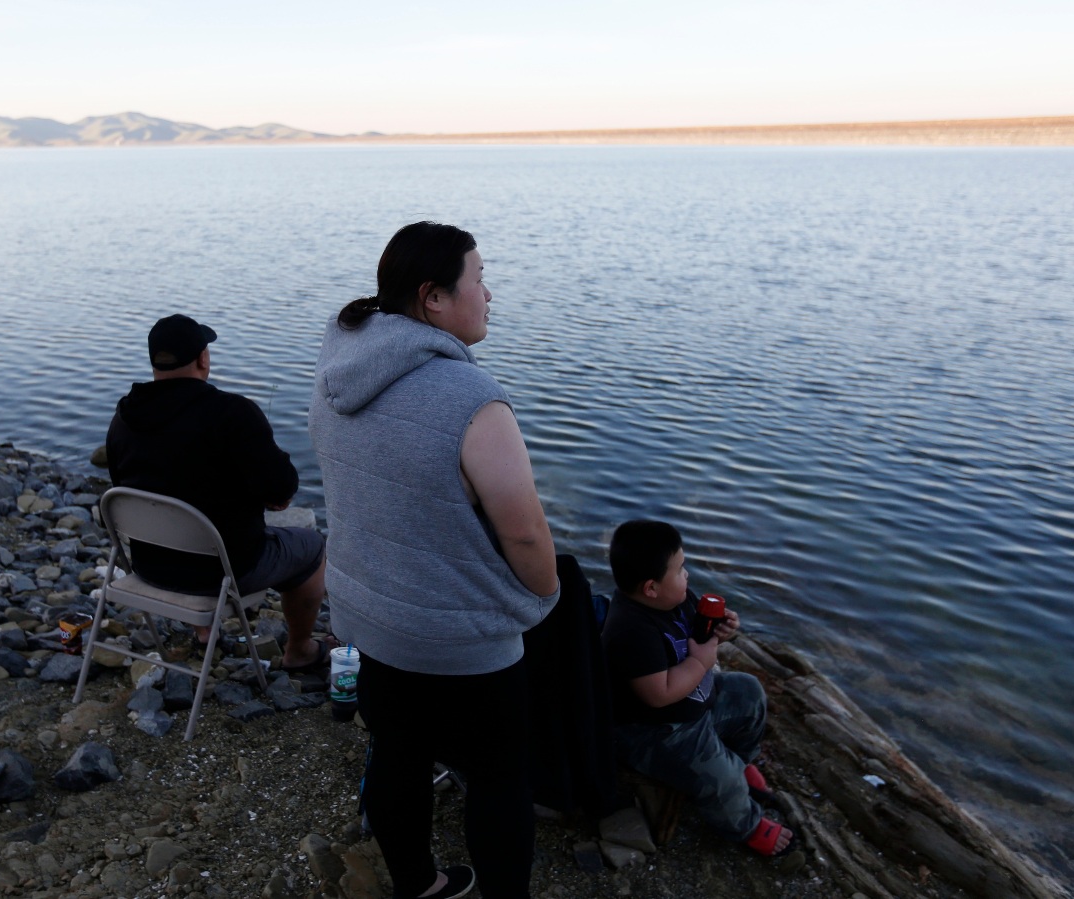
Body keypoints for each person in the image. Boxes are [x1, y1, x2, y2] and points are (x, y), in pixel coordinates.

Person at [309, 222, 560, 899]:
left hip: (365, 615)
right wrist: (542, 599)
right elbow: (530, 538)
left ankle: (418, 884)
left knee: (398, 751)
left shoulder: (339, 370)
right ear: (434, 299)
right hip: (460, 639)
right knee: (500, 774)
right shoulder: (471, 400)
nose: (489, 292)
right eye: (478, 279)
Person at [105, 313, 329, 671]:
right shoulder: (233, 413)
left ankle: (205, 634)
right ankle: (300, 650)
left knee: (191, 520)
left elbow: (126, 491)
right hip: (224, 573)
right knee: (312, 549)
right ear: (203, 359)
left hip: (149, 566)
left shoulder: (123, 418)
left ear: (154, 362)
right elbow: (282, 488)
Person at [601, 519, 795, 857]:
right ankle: (746, 826)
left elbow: (698, 631)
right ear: (651, 588)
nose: (687, 575)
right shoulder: (629, 629)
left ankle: (742, 759)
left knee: (749, 693)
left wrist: (721, 628)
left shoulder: (673, 600)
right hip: (657, 732)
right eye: (680, 570)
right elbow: (658, 694)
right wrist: (701, 662)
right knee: (721, 778)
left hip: (696, 704)